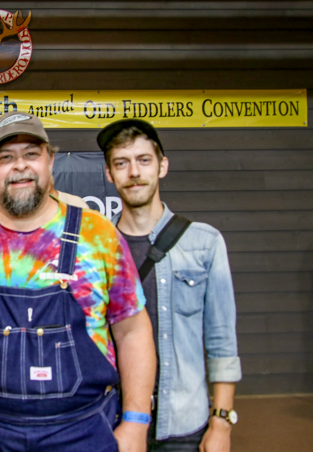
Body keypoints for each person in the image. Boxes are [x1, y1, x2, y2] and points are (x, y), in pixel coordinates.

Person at [0, 110, 156, 452]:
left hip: (84, 432)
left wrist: (136, 424)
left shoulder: (99, 235)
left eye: (31, 154)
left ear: (50, 160)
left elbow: (133, 330)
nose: (20, 166)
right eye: (5, 157)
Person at [98, 119, 242, 451]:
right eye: (121, 163)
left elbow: (222, 342)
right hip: (112, 421)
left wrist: (221, 422)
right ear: (109, 173)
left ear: (162, 166)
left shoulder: (205, 243)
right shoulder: (97, 246)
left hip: (182, 424)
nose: (133, 172)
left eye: (144, 160)